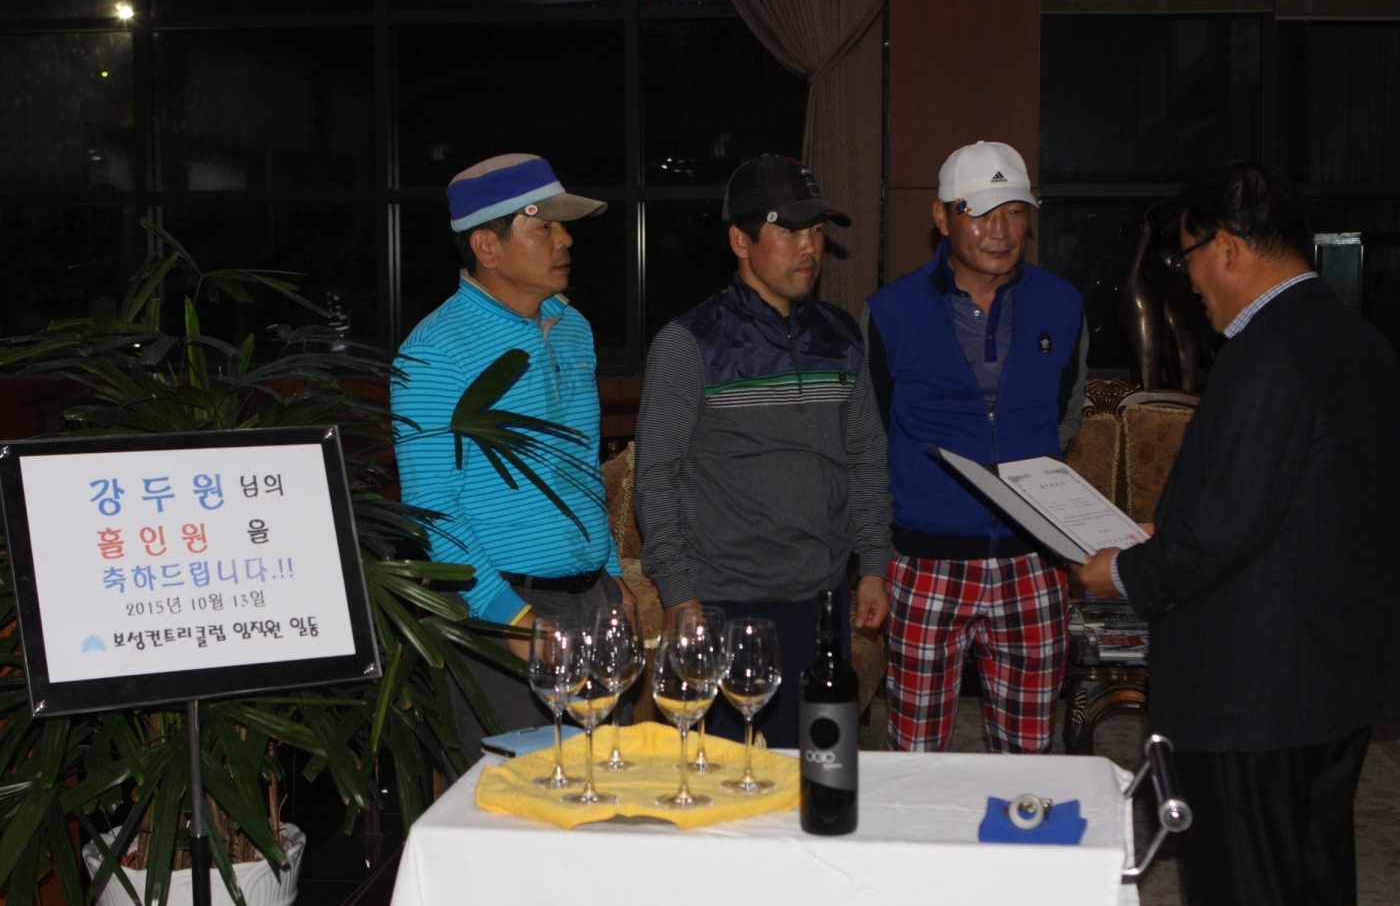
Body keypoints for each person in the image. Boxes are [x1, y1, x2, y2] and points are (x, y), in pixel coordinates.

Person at [1076, 161, 1400, 906]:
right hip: (1333, 680)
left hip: (1252, 692)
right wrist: (1175, 530)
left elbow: (1219, 531)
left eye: (1187, 257)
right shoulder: (1360, 340)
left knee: (1244, 884)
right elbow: (1309, 504)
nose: (1187, 280)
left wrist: (1120, 573)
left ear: (1227, 247)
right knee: (1313, 877)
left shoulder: (1267, 353)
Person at [633, 155, 893, 748]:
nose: (809, 247)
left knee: (822, 767)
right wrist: (679, 593)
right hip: (726, 600)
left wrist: (875, 567)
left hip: (823, 597)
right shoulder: (689, 341)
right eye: (790, 230)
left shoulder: (841, 335)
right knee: (725, 778)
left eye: (817, 231)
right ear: (740, 241)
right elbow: (657, 476)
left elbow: (865, 459)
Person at [392, 153, 633, 766]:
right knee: (521, 803)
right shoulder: (434, 350)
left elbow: (581, 466)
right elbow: (431, 509)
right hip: (504, 610)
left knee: (610, 787)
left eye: (563, 225)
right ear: (487, 247)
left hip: (593, 599)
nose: (565, 239)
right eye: (543, 225)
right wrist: (512, 618)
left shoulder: (572, 326)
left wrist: (612, 578)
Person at [865, 140, 1088, 754]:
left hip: (1033, 561)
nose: (1001, 230)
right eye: (981, 212)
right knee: (915, 756)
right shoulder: (890, 311)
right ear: (942, 216)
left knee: (1029, 757)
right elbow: (872, 435)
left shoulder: (1063, 302)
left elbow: (1066, 414)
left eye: (1015, 212)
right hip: (926, 563)